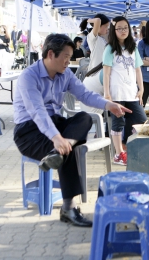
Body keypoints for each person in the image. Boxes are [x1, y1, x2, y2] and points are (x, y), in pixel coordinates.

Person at [13, 33, 131, 227]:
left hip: (55, 124)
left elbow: (84, 95)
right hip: (29, 132)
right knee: (67, 149)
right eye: (66, 56)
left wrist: (109, 104)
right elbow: (37, 112)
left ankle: (57, 153)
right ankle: (69, 207)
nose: (69, 61)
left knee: (83, 118)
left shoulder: (65, 74)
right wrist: (57, 137)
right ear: (51, 54)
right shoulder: (29, 76)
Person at [103, 16, 147, 166]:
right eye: (119, 28)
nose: (123, 31)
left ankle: (129, 149)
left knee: (140, 120)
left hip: (132, 93)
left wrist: (141, 88)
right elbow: (106, 73)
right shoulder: (110, 49)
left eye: (125, 28)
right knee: (118, 122)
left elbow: (138, 70)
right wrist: (107, 94)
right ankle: (118, 153)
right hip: (116, 93)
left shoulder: (133, 48)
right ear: (114, 31)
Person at [80, 14, 110, 115]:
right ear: (99, 26)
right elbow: (97, 20)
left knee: (99, 111)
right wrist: (89, 20)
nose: (107, 29)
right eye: (105, 26)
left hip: (100, 78)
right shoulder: (92, 38)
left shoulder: (102, 40)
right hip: (94, 78)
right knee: (95, 112)